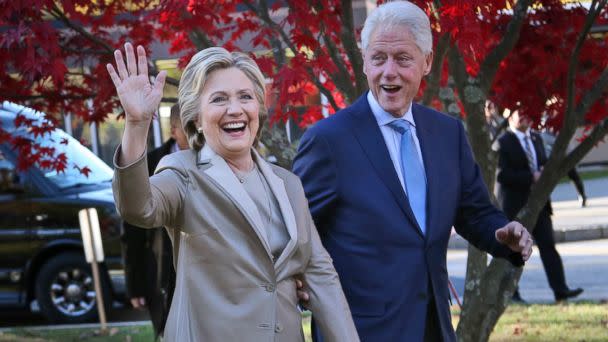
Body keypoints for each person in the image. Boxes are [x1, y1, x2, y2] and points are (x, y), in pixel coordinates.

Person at [292, 1, 533, 341]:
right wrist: (298, 283)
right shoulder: (328, 141)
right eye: (378, 59)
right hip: (360, 332)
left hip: (435, 327)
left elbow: (475, 212)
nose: (389, 71)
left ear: (427, 62)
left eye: (402, 59)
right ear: (364, 63)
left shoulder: (447, 134)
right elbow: (295, 235)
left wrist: (503, 233)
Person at [107, 43, 359, 341]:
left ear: (258, 108)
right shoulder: (182, 171)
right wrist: (137, 125)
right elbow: (138, 207)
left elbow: (319, 275)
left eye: (245, 97)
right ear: (196, 119)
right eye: (219, 99)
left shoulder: (287, 183)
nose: (235, 109)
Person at [495, 110, 583, 303]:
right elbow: (502, 175)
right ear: (509, 115)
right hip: (514, 207)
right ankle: (512, 294)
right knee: (513, 251)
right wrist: (530, 177)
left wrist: (544, 170)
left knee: (548, 247)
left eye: (528, 112)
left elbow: (542, 161)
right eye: (521, 112)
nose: (526, 116)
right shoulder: (502, 142)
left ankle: (561, 290)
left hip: (539, 206)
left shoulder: (535, 137)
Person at [121, 103, 188, 338]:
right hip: (161, 271)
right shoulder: (149, 164)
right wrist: (135, 285)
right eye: (187, 128)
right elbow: (132, 231)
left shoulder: (214, 163)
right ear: (174, 130)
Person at [540, 128, 587, 207]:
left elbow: (568, 141)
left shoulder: (564, 129)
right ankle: (544, 201)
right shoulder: (545, 133)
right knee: (548, 181)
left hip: (567, 158)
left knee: (575, 177)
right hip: (552, 160)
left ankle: (582, 196)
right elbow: (549, 141)